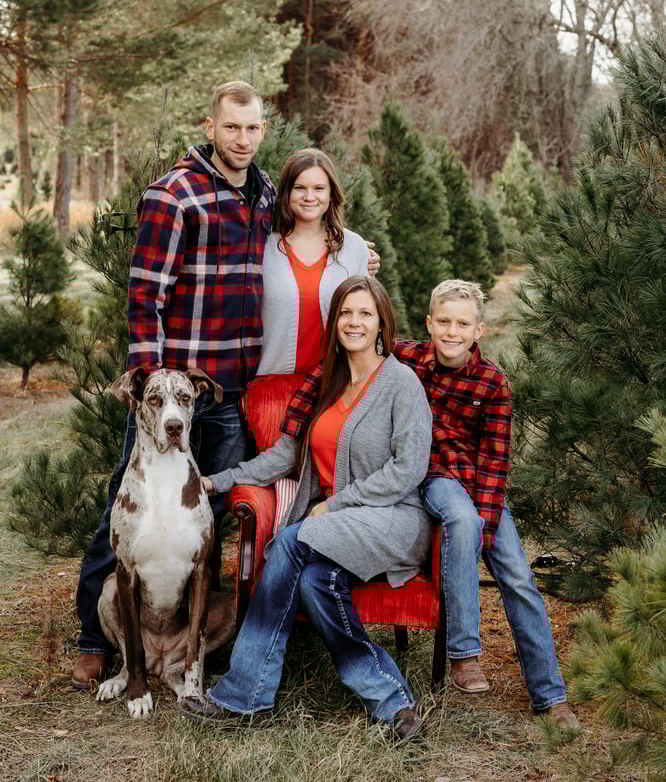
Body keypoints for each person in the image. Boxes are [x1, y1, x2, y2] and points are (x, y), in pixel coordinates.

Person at [71, 87, 379, 689]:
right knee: (129, 509)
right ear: (211, 126)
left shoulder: (262, 191)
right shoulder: (173, 194)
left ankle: (189, 642)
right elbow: (144, 297)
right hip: (175, 397)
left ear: (263, 131)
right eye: (232, 128)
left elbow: (309, 227)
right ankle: (94, 638)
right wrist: (150, 392)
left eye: (253, 128)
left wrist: (360, 257)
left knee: (206, 515)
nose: (243, 139)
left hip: (234, 393)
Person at [179, 276, 432, 742]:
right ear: (334, 321)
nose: (354, 322)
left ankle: (245, 694)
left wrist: (334, 504)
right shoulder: (327, 383)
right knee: (318, 582)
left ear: (382, 323)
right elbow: (282, 457)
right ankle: (393, 702)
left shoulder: (401, 383)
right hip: (339, 523)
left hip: (394, 520)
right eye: (346, 313)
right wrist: (216, 480)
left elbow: (408, 470)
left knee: (291, 541)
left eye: (365, 313)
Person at [393, 279, 581, 731]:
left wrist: (486, 529)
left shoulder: (494, 383)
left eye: (462, 324)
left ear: (480, 330)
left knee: (518, 576)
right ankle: (465, 653)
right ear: (428, 323)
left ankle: (550, 696)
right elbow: (361, 327)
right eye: (443, 322)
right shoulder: (407, 359)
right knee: (458, 515)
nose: (451, 332)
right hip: (431, 478)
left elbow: (496, 463)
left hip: (481, 487)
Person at [257, 147, 370, 378]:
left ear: (331, 194)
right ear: (287, 192)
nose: (310, 197)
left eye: (319, 188)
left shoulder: (354, 248)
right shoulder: (263, 246)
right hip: (270, 384)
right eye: (300, 188)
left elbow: (368, 316)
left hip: (336, 385)